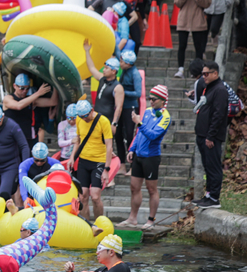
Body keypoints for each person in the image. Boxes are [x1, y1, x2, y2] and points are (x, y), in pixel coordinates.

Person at [119, 85, 171, 229]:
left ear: (163, 100)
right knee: (134, 187)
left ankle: (151, 220)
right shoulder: (148, 111)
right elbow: (139, 133)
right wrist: (131, 149)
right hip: (139, 155)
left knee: (151, 189)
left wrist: (139, 123)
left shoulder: (165, 117)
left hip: (151, 157)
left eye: (154, 99)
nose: (151, 101)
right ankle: (132, 218)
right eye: (149, 98)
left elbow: (153, 135)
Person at [68, 100, 114, 221]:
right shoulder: (79, 119)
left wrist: (107, 169)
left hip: (99, 161)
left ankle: (100, 224)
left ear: (92, 110)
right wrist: (72, 157)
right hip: (84, 160)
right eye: (81, 116)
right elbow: (78, 139)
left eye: (86, 116)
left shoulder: (103, 121)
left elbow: (109, 146)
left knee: (95, 196)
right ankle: (87, 226)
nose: (84, 119)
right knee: (82, 196)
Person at [193, 61, 229, 207]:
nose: (204, 77)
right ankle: (208, 195)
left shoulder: (220, 90)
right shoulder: (209, 88)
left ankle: (214, 197)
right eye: (202, 74)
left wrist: (211, 135)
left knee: (213, 166)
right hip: (202, 134)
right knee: (207, 166)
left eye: (206, 74)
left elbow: (218, 115)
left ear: (215, 73)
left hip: (211, 137)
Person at [64, 234, 134, 272]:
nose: (97, 252)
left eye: (100, 249)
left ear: (111, 252)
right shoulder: (103, 270)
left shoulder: (122, 268)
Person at [174, 0, 212, 78]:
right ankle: (180, 69)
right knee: (182, 46)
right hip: (183, 21)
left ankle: (198, 70)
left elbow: (206, 3)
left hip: (198, 21)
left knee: (198, 47)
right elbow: (177, 3)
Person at [3, 73, 57, 150]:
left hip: (26, 140)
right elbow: (18, 106)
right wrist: (38, 93)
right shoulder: (8, 98)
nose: (25, 91)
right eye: (22, 88)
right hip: (11, 140)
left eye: (27, 88)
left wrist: (56, 85)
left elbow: (53, 102)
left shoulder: (31, 101)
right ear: (14, 86)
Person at [85, 41, 124, 134]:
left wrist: (114, 123)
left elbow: (119, 107)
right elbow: (91, 68)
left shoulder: (118, 87)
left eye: (106, 68)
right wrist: (87, 51)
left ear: (114, 71)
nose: (104, 70)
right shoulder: (102, 79)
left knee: (106, 147)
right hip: (96, 118)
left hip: (107, 121)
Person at [116, 49, 143, 180]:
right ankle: (122, 164)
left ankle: (133, 166)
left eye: (121, 61)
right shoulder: (125, 71)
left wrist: (122, 92)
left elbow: (138, 93)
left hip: (131, 107)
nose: (119, 63)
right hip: (121, 107)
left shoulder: (135, 74)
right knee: (118, 135)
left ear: (128, 63)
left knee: (129, 136)